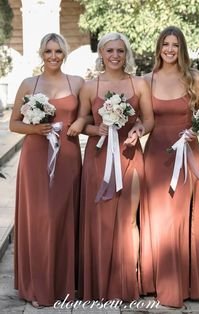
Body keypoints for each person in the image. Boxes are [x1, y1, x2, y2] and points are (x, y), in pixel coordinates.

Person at [131, 26, 199, 307]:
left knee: (180, 217)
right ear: (158, 48)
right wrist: (135, 133)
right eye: (165, 44)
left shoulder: (195, 79)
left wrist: (198, 130)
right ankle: (156, 282)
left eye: (175, 45)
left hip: (186, 154)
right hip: (156, 155)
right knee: (157, 218)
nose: (169, 49)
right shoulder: (146, 80)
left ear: (182, 49)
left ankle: (183, 283)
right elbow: (144, 120)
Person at [71, 32, 154, 301]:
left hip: (130, 155)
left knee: (129, 220)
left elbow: (149, 121)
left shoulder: (139, 84)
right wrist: (96, 128)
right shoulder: (88, 86)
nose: (115, 56)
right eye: (110, 51)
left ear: (126, 53)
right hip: (99, 159)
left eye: (120, 51)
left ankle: (128, 283)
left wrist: (139, 129)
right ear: (101, 54)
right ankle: (98, 285)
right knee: (100, 221)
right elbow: (80, 121)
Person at [9, 33, 84, 307]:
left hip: (67, 157)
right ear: (41, 53)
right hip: (36, 157)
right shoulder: (29, 83)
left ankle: (64, 284)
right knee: (40, 219)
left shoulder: (76, 82)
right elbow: (14, 123)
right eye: (49, 51)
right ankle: (38, 284)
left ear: (64, 54)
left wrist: (81, 123)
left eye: (58, 52)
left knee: (63, 216)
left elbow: (87, 113)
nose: (53, 56)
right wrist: (34, 128)